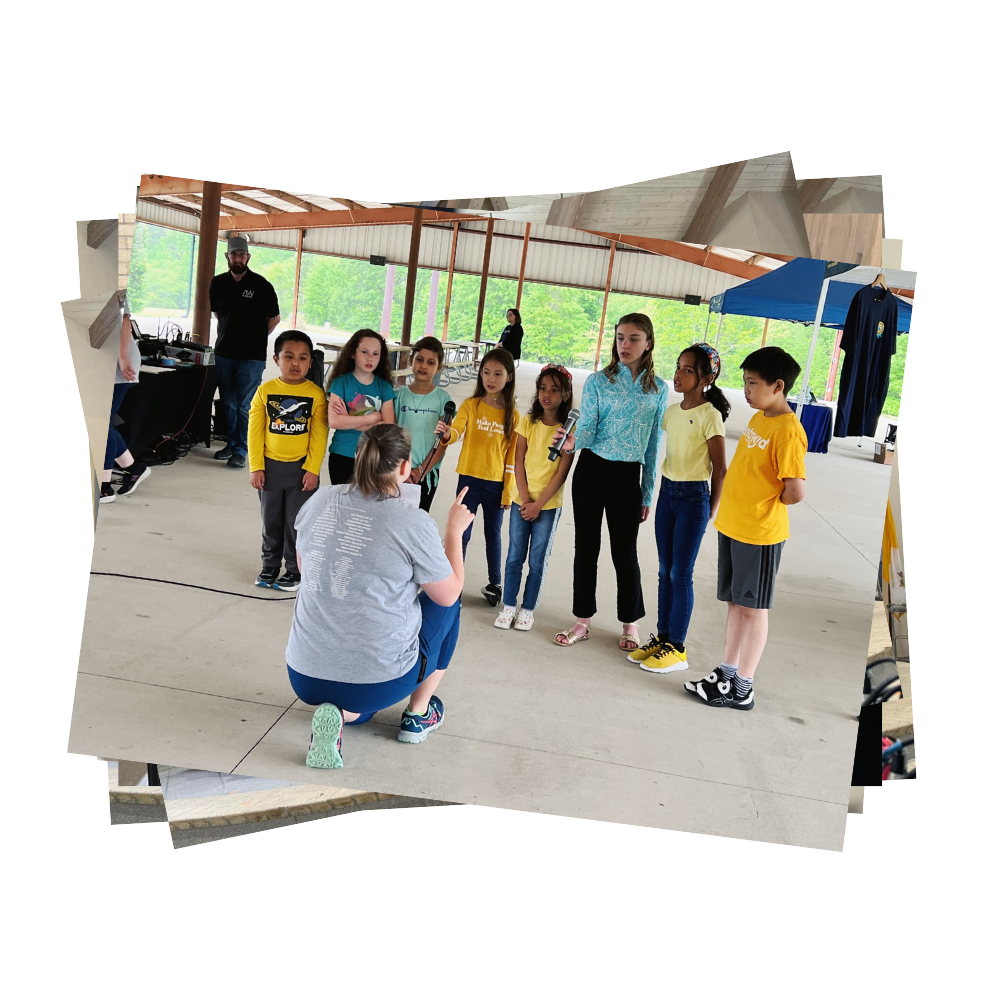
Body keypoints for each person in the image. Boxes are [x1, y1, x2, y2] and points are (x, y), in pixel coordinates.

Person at [285, 425, 476, 768]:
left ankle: (339, 715)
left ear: (358, 458)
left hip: (304, 673)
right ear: (405, 468)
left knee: (358, 696)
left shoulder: (319, 500)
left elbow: (305, 567)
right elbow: (448, 594)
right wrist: (454, 531)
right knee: (449, 601)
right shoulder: (411, 521)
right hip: (381, 680)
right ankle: (419, 715)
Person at [684, 346, 807, 711]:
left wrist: (762, 504)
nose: (747, 390)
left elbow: (795, 491)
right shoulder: (759, 419)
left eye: (753, 383)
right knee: (736, 604)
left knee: (754, 610)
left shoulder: (788, 431)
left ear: (778, 385)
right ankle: (726, 672)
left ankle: (743, 687)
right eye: (745, 382)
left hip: (759, 534)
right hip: (735, 528)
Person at [553, 313, 669, 651]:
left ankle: (630, 622)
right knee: (586, 549)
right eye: (620, 337)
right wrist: (575, 441)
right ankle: (582, 620)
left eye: (633, 338)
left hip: (626, 476)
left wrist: (647, 492)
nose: (625, 345)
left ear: (648, 343)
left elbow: (652, 445)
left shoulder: (659, 389)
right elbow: (587, 425)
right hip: (591, 469)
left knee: (625, 552)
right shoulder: (597, 381)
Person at [628, 344, 729, 674]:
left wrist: (710, 510)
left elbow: (720, 468)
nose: (679, 374)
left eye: (688, 370)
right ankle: (663, 638)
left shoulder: (710, 416)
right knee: (663, 570)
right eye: (679, 366)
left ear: (707, 378)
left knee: (679, 573)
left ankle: (677, 648)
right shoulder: (672, 412)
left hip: (693, 498)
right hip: (668, 494)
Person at [494, 364, 575, 632]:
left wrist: (539, 504)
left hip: (548, 505)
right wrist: (526, 498)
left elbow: (562, 473)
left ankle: (527, 610)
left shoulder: (567, 431)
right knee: (515, 555)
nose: (547, 395)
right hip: (521, 499)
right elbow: (518, 461)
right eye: (542, 388)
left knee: (538, 559)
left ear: (565, 394)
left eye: (554, 390)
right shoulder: (527, 421)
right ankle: (508, 605)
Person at [437, 348, 519, 607]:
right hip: (468, 482)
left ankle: (495, 583)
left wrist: (509, 492)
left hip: (496, 485)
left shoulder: (512, 415)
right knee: (461, 534)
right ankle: (454, 582)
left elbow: (512, 460)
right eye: (486, 372)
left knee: (493, 535)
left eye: (497, 373)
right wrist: (448, 434)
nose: (491, 378)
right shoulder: (470, 405)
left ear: (509, 377)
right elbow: (458, 429)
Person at [248, 331, 329, 592]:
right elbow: (254, 430)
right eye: (289, 357)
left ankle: (294, 569)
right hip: (270, 469)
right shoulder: (265, 390)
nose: (296, 363)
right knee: (271, 520)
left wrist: (313, 469)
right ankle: (270, 565)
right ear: (276, 359)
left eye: (303, 358)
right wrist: (256, 466)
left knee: (297, 522)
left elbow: (319, 434)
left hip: (301, 472)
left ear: (310, 363)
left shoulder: (316, 394)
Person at [209, 236, 281, 470]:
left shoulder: (262, 285)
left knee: (245, 405)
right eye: (234, 255)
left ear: (248, 258)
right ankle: (230, 443)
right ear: (227, 257)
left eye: (242, 255)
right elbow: (218, 313)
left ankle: (241, 449)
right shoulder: (218, 283)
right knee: (228, 403)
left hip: (252, 357)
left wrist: (257, 338)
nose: (238, 258)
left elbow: (274, 318)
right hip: (225, 353)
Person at [326, 329, 397, 485]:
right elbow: (335, 422)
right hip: (342, 454)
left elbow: (387, 427)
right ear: (353, 353)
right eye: (364, 352)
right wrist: (373, 418)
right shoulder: (340, 383)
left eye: (375, 353)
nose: (370, 357)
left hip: (373, 457)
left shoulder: (384, 387)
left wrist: (349, 420)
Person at [100, 292, 151, 504]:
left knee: (100, 425)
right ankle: (133, 468)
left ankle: (104, 487)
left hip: (118, 365)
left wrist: (123, 358)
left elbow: (124, 320)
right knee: (102, 423)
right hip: (98, 363)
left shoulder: (109, 280)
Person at [394, 337, 451, 512]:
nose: (424, 366)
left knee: (419, 520)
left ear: (439, 367)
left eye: (431, 362)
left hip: (427, 475)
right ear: (411, 360)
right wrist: (399, 467)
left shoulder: (444, 399)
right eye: (419, 360)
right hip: (397, 471)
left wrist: (421, 470)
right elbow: (391, 435)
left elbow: (442, 441)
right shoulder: (397, 396)